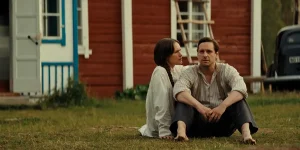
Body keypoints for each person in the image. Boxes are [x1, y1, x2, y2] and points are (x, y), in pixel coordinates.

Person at [170, 37, 258, 144]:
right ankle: (181, 134)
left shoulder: (227, 70)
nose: (205, 55)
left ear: (216, 54)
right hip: (197, 124)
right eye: (201, 51)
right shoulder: (189, 72)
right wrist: (200, 107)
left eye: (209, 51)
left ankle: (247, 136)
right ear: (197, 54)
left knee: (238, 99)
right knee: (184, 101)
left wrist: (223, 106)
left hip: (223, 124)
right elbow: (179, 91)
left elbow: (241, 88)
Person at [139, 38, 188, 139]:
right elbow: (161, 103)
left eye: (180, 50)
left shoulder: (176, 69)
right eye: (177, 52)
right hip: (161, 127)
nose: (181, 54)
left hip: (173, 123)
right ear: (166, 56)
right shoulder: (160, 72)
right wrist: (164, 130)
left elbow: (194, 70)